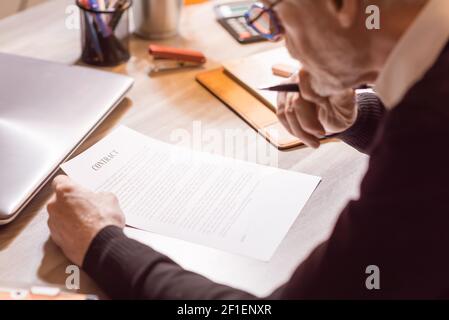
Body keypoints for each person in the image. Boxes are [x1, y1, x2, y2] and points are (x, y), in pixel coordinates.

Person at [47, 0, 449, 299]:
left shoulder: (427, 136)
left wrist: (102, 243)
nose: (284, 44)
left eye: (276, 18)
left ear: (338, 7)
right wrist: (358, 119)